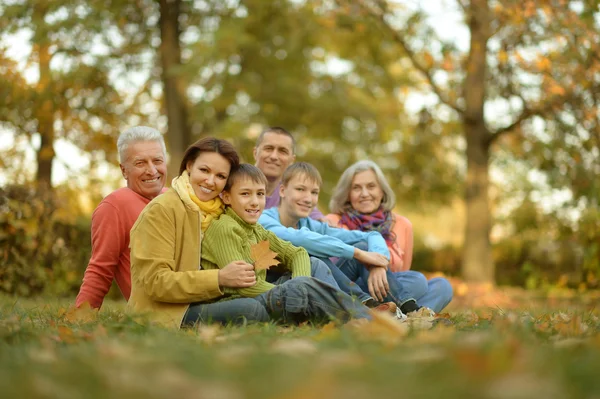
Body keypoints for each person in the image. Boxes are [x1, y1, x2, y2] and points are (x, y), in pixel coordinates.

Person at [200, 163, 373, 324]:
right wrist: (295, 289)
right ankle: (358, 320)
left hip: (267, 292)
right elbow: (243, 286)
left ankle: (357, 317)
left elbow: (297, 253)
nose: (255, 201)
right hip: (237, 299)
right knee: (301, 287)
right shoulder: (225, 228)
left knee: (315, 263)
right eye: (245, 194)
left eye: (260, 194)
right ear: (227, 197)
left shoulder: (256, 229)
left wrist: (299, 285)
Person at [259, 162, 426, 317]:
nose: (308, 198)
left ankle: (411, 310)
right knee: (315, 256)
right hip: (285, 292)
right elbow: (300, 239)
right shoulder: (264, 220)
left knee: (363, 245)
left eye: (314, 192)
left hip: (328, 288)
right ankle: (367, 306)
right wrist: (357, 253)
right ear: (282, 191)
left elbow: (372, 235)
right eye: (300, 189)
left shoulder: (311, 224)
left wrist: (378, 263)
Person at [325, 160, 453, 313]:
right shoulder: (332, 222)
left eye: (371, 186)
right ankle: (407, 313)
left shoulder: (402, 224)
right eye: (356, 188)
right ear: (347, 194)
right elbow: (332, 270)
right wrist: (374, 264)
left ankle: (405, 319)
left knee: (439, 285)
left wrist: (380, 269)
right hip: (351, 290)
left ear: (382, 191)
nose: (365, 194)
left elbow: (402, 273)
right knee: (417, 280)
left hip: (390, 290)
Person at [75, 126, 167, 309]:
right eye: (140, 163)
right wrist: (79, 317)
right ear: (124, 171)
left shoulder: (175, 198)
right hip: (161, 310)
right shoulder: (114, 206)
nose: (152, 170)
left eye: (157, 160)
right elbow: (100, 269)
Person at [253, 126, 324, 220]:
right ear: (255, 153)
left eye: (282, 151)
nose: (274, 156)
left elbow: (315, 216)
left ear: (292, 160)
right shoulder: (235, 182)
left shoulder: (291, 192)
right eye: (268, 148)